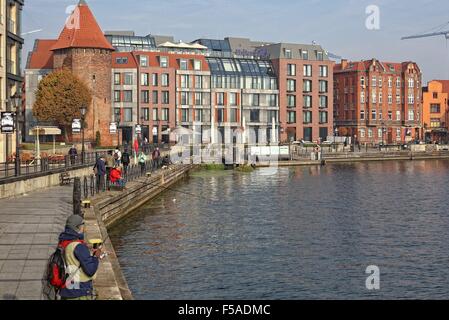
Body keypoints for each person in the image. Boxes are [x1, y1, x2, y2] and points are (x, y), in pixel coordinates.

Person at [58, 215, 103, 300]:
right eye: (83, 225)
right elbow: (90, 271)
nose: (84, 227)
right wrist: (96, 257)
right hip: (79, 291)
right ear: (77, 227)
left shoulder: (63, 242)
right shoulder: (79, 246)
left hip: (67, 288)